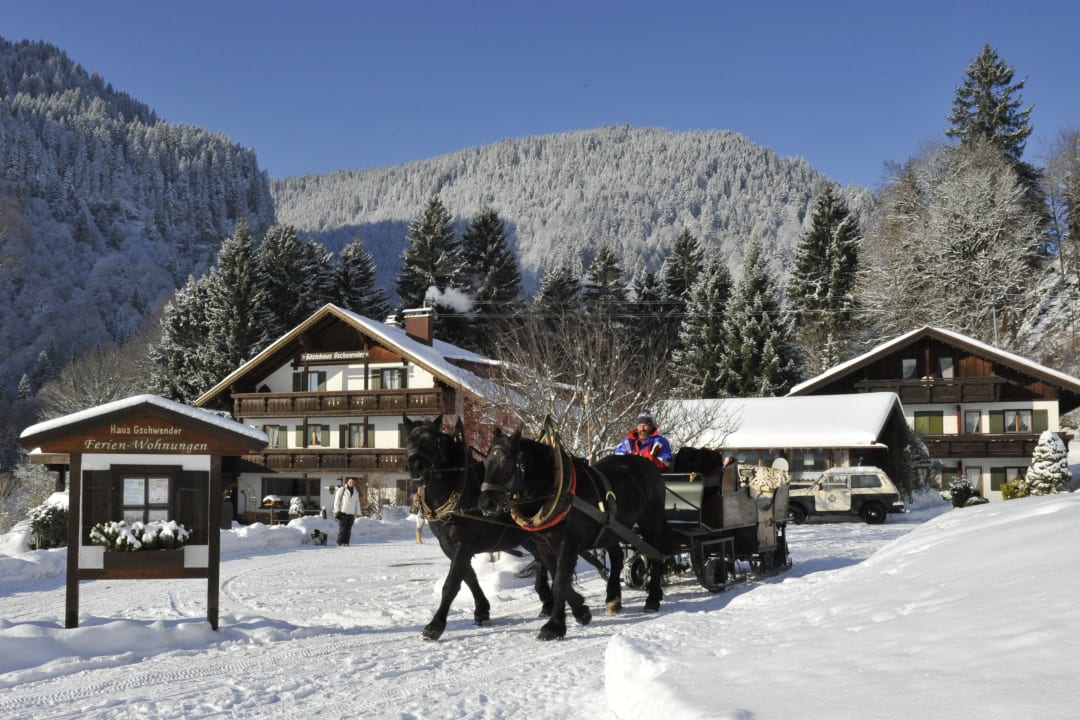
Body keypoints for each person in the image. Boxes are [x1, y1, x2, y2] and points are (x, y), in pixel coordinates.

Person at [333, 477, 362, 546]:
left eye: (352, 482)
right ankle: (339, 542)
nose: (351, 483)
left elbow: (357, 503)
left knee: (348, 529)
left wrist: (358, 513)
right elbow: (336, 500)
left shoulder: (356, 492)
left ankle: (346, 542)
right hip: (343, 513)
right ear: (347, 482)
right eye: (350, 482)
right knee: (342, 529)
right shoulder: (342, 490)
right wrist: (336, 510)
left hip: (351, 513)